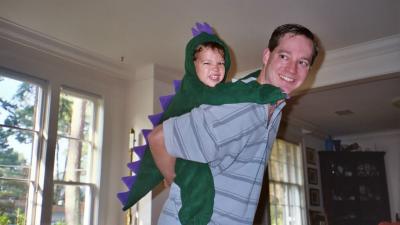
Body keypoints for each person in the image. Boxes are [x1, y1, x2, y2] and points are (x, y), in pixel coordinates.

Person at [148, 23, 320, 225]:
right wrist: (175, 179)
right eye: (284, 56)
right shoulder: (237, 107)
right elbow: (158, 138)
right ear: (267, 56)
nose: (292, 68)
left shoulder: (274, 108)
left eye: (303, 62)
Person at [117, 22, 286, 225]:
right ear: (192, 66)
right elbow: (238, 92)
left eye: (221, 63)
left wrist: (257, 78)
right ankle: (193, 218)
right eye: (207, 63)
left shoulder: (216, 90)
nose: (215, 69)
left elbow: (236, 89)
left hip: (187, 146)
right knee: (200, 186)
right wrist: (268, 91)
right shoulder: (198, 90)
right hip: (181, 153)